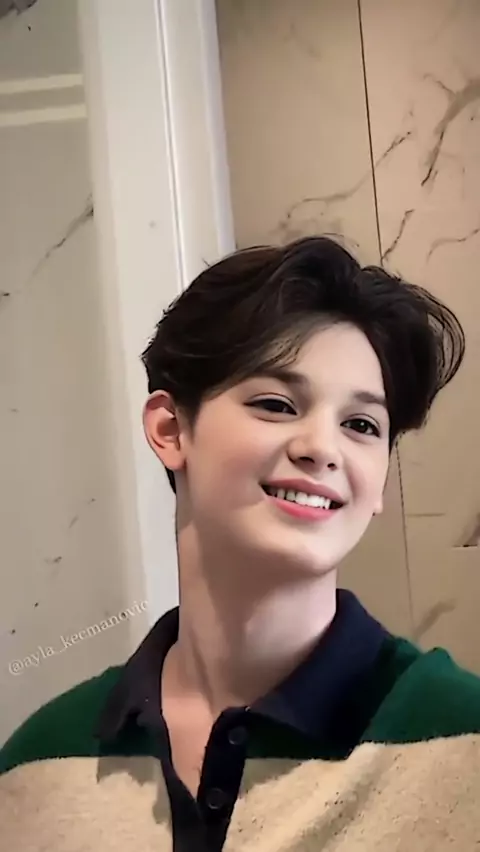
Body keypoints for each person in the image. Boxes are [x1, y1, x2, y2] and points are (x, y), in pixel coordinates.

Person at [1, 236, 479, 852]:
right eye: (277, 404)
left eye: (361, 425)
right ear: (170, 429)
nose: (322, 448)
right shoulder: (38, 767)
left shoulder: (460, 740)